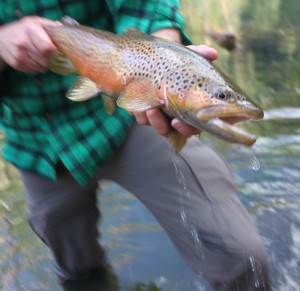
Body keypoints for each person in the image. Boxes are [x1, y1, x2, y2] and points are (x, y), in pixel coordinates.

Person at [0, 0, 271, 290]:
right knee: (79, 275)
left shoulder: (167, 85)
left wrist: (165, 53)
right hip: (37, 145)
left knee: (241, 256)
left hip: (128, 122)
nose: (226, 104)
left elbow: (148, 5)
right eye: (222, 96)